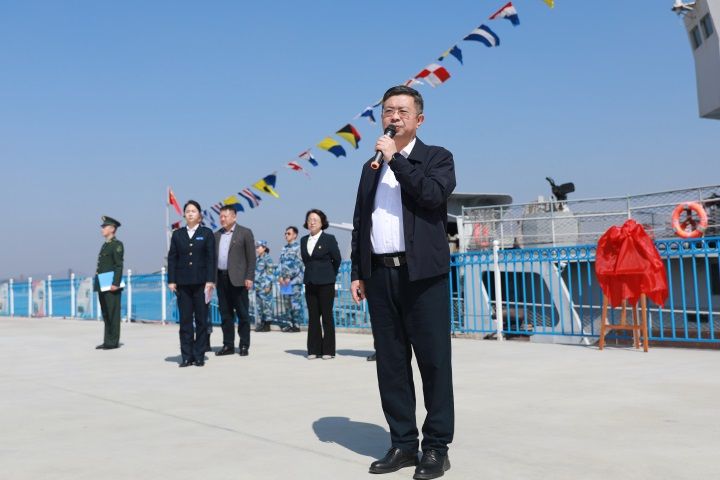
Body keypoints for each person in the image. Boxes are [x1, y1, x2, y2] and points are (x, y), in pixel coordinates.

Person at [350, 85, 456, 479]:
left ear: (419, 119)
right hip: (380, 275)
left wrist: (396, 159)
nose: (393, 117)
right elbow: (361, 221)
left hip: (422, 276)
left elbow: (431, 196)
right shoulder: (371, 167)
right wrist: (358, 271)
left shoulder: (437, 158)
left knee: (433, 362)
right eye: (388, 111)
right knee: (391, 364)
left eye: (402, 111)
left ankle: (437, 447)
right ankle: (403, 444)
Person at [167, 200, 216, 367]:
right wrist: (171, 280)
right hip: (183, 284)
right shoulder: (177, 234)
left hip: (202, 283)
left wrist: (210, 280)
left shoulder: (206, 233)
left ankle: (199, 355)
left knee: (202, 320)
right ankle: (187, 356)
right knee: (185, 321)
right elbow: (172, 258)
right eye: (187, 211)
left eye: (193, 211)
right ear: (184, 215)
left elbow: (211, 258)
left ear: (199, 215)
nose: (190, 213)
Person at [214, 205, 256, 357]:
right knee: (225, 315)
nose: (222, 219)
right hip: (221, 278)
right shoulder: (216, 235)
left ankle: (244, 345)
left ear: (234, 217)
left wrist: (249, 277)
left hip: (239, 280)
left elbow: (251, 258)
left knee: (243, 314)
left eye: (225, 216)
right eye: (221, 216)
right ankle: (228, 345)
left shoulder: (245, 233)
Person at [300, 209, 342, 359]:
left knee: (326, 316)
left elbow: (337, 259)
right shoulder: (303, 240)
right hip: (310, 282)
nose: (312, 222)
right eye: (309, 219)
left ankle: (328, 350)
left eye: (315, 220)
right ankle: (314, 350)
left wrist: (330, 274)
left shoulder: (329, 239)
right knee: (313, 317)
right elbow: (306, 261)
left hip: (326, 283)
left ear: (322, 223)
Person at [94, 216, 124, 350]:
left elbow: (118, 265)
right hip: (102, 282)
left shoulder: (117, 245)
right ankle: (107, 340)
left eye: (104, 227)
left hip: (111, 283)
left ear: (112, 229)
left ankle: (113, 342)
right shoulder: (105, 245)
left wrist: (115, 283)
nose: (102, 229)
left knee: (113, 313)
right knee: (106, 313)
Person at [278, 226, 304, 332]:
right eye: (285, 233)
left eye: (288, 233)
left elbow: (298, 264)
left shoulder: (298, 248)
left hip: (294, 281)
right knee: (287, 303)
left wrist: (289, 276)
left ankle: (296, 325)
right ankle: (289, 323)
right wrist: (280, 276)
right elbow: (280, 263)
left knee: (295, 303)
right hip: (285, 282)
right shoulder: (284, 248)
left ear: (295, 235)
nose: (286, 235)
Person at [254, 240, 275, 332]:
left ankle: (267, 325)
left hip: (265, 286)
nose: (257, 249)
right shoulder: (257, 259)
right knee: (259, 306)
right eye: (256, 247)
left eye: (259, 247)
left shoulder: (268, 259)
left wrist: (268, 285)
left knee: (267, 305)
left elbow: (270, 273)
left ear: (264, 248)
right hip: (258, 286)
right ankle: (261, 323)